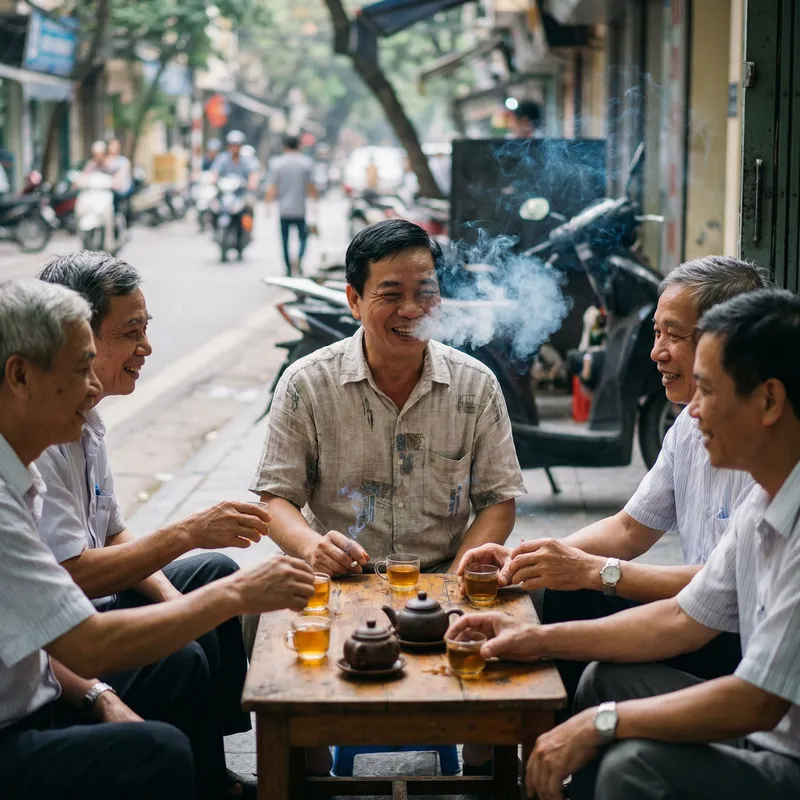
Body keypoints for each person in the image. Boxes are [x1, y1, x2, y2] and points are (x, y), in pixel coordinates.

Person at [449, 287, 800, 800]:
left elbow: (758, 701)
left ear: (768, 400)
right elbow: (680, 615)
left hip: (782, 751)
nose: (694, 411)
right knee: (600, 684)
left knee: (631, 764)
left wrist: (602, 724)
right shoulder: (763, 502)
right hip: (760, 726)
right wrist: (532, 635)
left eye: (708, 390)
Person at [0, 278, 315, 800]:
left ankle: (213, 775)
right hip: (22, 719)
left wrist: (98, 694)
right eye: (81, 369)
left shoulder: (29, 466)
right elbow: (84, 641)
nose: (94, 387)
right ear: (20, 375)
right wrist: (235, 595)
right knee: (158, 749)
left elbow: (44, 637)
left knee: (208, 579)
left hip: (47, 689)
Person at [251, 218, 526, 772]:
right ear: (354, 300)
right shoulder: (306, 383)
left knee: (524, 616)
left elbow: (498, 499)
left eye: (425, 293)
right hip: (339, 579)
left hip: (444, 576)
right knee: (254, 617)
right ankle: (302, 775)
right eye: (390, 295)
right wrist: (309, 548)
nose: (411, 310)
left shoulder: (476, 385)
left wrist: (460, 573)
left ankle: (483, 773)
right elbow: (274, 498)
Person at [460, 256, 770, 713]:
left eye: (674, 335)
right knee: (555, 591)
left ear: (724, 343)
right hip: (695, 615)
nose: (656, 353)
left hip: (739, 636)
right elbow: (630, 529)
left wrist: (595, 572)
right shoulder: (687, 424)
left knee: (585, 629)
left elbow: (724, 590)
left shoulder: (767, 452)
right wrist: (542, 557)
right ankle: (541, 739)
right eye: (656, 333)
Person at [265, 135, 317, 276]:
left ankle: (288, 267)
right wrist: (315, 205)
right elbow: (311, 187)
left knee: (285, 241)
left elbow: (273, 186)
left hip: (284, 211)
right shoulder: (306, 163)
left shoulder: (277, 163)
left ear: (285, 146)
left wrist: (267, 205)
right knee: (303, 237)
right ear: (299, 146)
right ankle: (299, 258)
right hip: (300, 210)